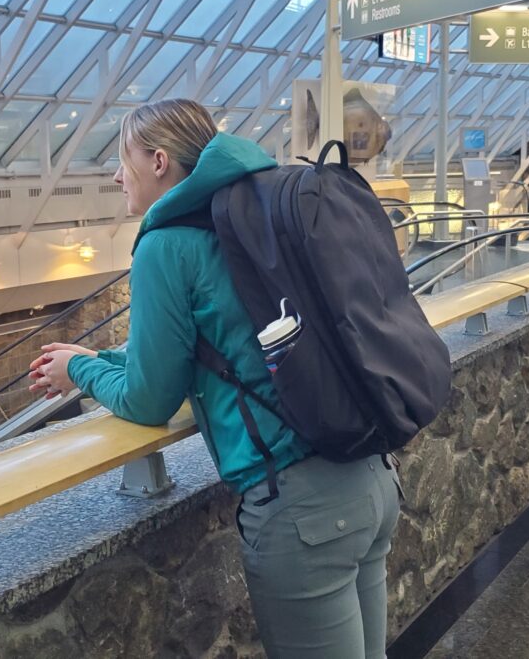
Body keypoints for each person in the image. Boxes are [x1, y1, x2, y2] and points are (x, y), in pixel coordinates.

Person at [29, 98, 401, 658]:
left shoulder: (165, 244)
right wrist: (95, 359)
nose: (114, 174)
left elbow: (150, 398)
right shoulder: (259, 205)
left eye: (121, 158)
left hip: (302, 510)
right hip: (370, 474)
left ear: (158, 161)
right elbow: (208, 345)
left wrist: (78, 370)